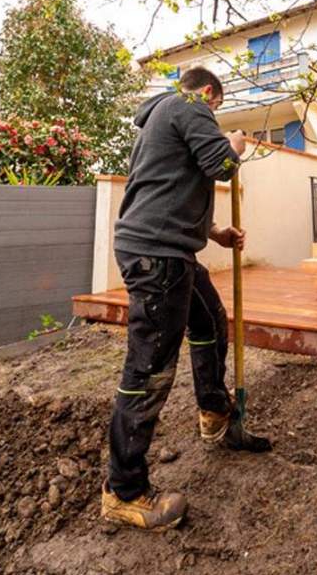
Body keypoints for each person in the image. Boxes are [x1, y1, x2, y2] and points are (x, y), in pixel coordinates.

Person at [101, 66, 272, 531]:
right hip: (159, 257)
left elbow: (171, 184)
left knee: (210, 323)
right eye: (217, 106)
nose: (213, 113)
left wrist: (212, 231)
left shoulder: (164, 117)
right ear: (211, 94)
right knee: (150, 370)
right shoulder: (191, 106)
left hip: (169, 249)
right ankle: (125, 491)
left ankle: (215, 411)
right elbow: (220, 165)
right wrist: (234, 146)